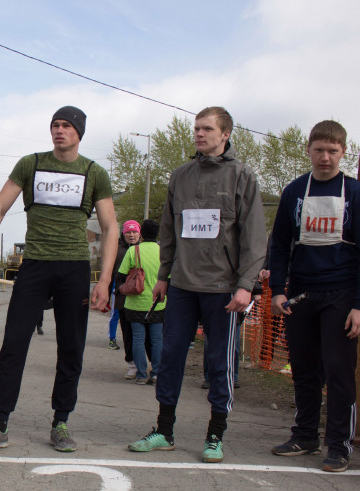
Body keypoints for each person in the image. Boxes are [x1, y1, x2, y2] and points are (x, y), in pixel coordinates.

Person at [0, 106, 118, 453]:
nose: (59, 131)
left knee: (71, 347)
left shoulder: (94, 173)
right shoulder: (30, 164)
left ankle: (61, 422)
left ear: (79, 132)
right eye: (55, 125)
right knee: (14, 343)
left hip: (74, 268)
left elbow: (110, 228)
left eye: (66, 126)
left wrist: (104, 280)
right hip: (34, 266)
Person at [128, 106, 265, 463]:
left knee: (219, 362)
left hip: (224, 289)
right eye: (197, 128)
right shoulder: (180, 176)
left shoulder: (242, 177)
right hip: (183, 287)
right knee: (170, 357)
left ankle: (215, 436)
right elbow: (170, 233)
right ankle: (164, 431)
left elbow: (253, 238)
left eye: (207, 129)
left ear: (225, 134)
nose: (199, 134)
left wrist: (245, 285)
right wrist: (162, 277)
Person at [269, 120, 360, 473]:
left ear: (343, 152)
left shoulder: (357, 194)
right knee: (304, 370)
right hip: (300, 295)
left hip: (341, 295)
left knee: (339, 371)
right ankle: (305, 435)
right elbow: (279, 244)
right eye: (319, 150)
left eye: (332, 151)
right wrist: (277, 290)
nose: (325, 157)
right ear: (308, 150)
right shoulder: (295, 191)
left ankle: (339, 445)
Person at [117, 219, 164, 385]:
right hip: (157, 304)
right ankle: (157, 372)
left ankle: (141, 375)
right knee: (157, 340)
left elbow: (122, 275)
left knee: (137, 339)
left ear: (141, 233)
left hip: (134, 303)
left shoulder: (133, 251)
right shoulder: (162, 252)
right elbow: (169, 278)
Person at [113, 220, 143, 375]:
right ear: (123, 234)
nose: (131, 235)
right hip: (123, 298)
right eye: (128, 232)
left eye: (134, 232)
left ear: (140, 233)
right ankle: (132, 364)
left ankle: (145, 365)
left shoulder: (145, 249)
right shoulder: (116, 250)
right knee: (127, 332)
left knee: (146, 334)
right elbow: (112, 274)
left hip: (143, 298)